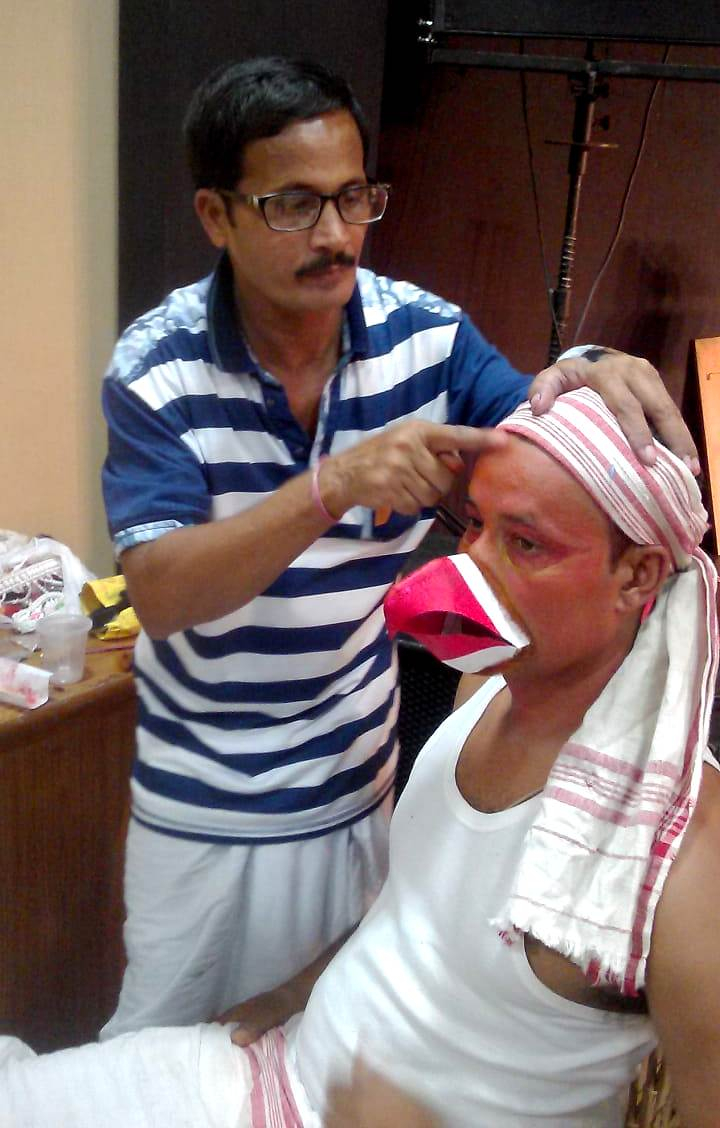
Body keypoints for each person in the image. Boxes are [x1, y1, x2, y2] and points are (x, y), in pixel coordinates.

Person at [100, 53, 702, 1037]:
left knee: (326, 1038)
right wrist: (332, 486)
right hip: (206, 811)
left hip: (358, 787)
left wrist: (588, 364)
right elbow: (159, 594)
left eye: (353, 199)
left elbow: (544, 439)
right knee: (168, 1050)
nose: (336, 235)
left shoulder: (426, 336)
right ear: (217, 216)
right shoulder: (156, 369)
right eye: (294, 205)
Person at [4, 389, 716, 1126]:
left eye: (524, 543)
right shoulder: (478, 689)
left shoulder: (682, 859)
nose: (472, 566)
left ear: (637, 575)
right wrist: (298, 991)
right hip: (274, 1073)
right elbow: (417, 902)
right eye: (473, 526)